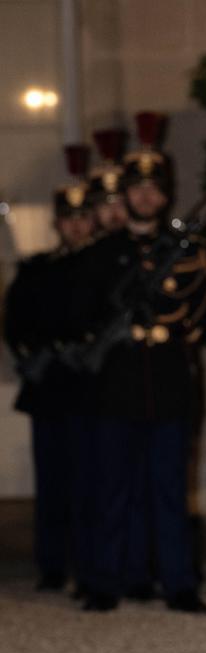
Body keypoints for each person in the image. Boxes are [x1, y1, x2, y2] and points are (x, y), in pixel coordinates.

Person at [73, 112, 206, 613]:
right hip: (116, 382)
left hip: (169, 381)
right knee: (111, 488)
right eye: (139, 188)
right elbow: (82, 313)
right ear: (125, 194)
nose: (148, 196)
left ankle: (178, 583)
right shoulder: (102, 253)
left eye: (157, 188)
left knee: (170, 489)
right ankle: (104, 581)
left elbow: (197, 309)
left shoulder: (183, 252)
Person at [4, 148, 96, 593]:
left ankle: (86, 564)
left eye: (83, 217)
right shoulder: (38, 270)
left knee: (87, 483)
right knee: (52, 482)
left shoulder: (99, 267)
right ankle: (52, 565)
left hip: (88, 390)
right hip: (49, 389)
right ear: (57, 222)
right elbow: (15, 323)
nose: (76, 225)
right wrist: (33, 355)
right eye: (68, 217)